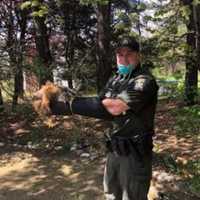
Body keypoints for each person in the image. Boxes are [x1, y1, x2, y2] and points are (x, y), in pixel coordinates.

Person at [33, 36, 159, 200]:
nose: (124, 58)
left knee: (132, 196)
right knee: (111, 194)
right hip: (114, 150)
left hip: (134, 155)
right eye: (120, 54)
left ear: (138, 55)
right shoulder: (115, 79)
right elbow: (100, 104)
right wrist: (63, 100)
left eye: (129, 54)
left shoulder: (144, 81)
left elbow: (114, 107)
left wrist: (71, 105)